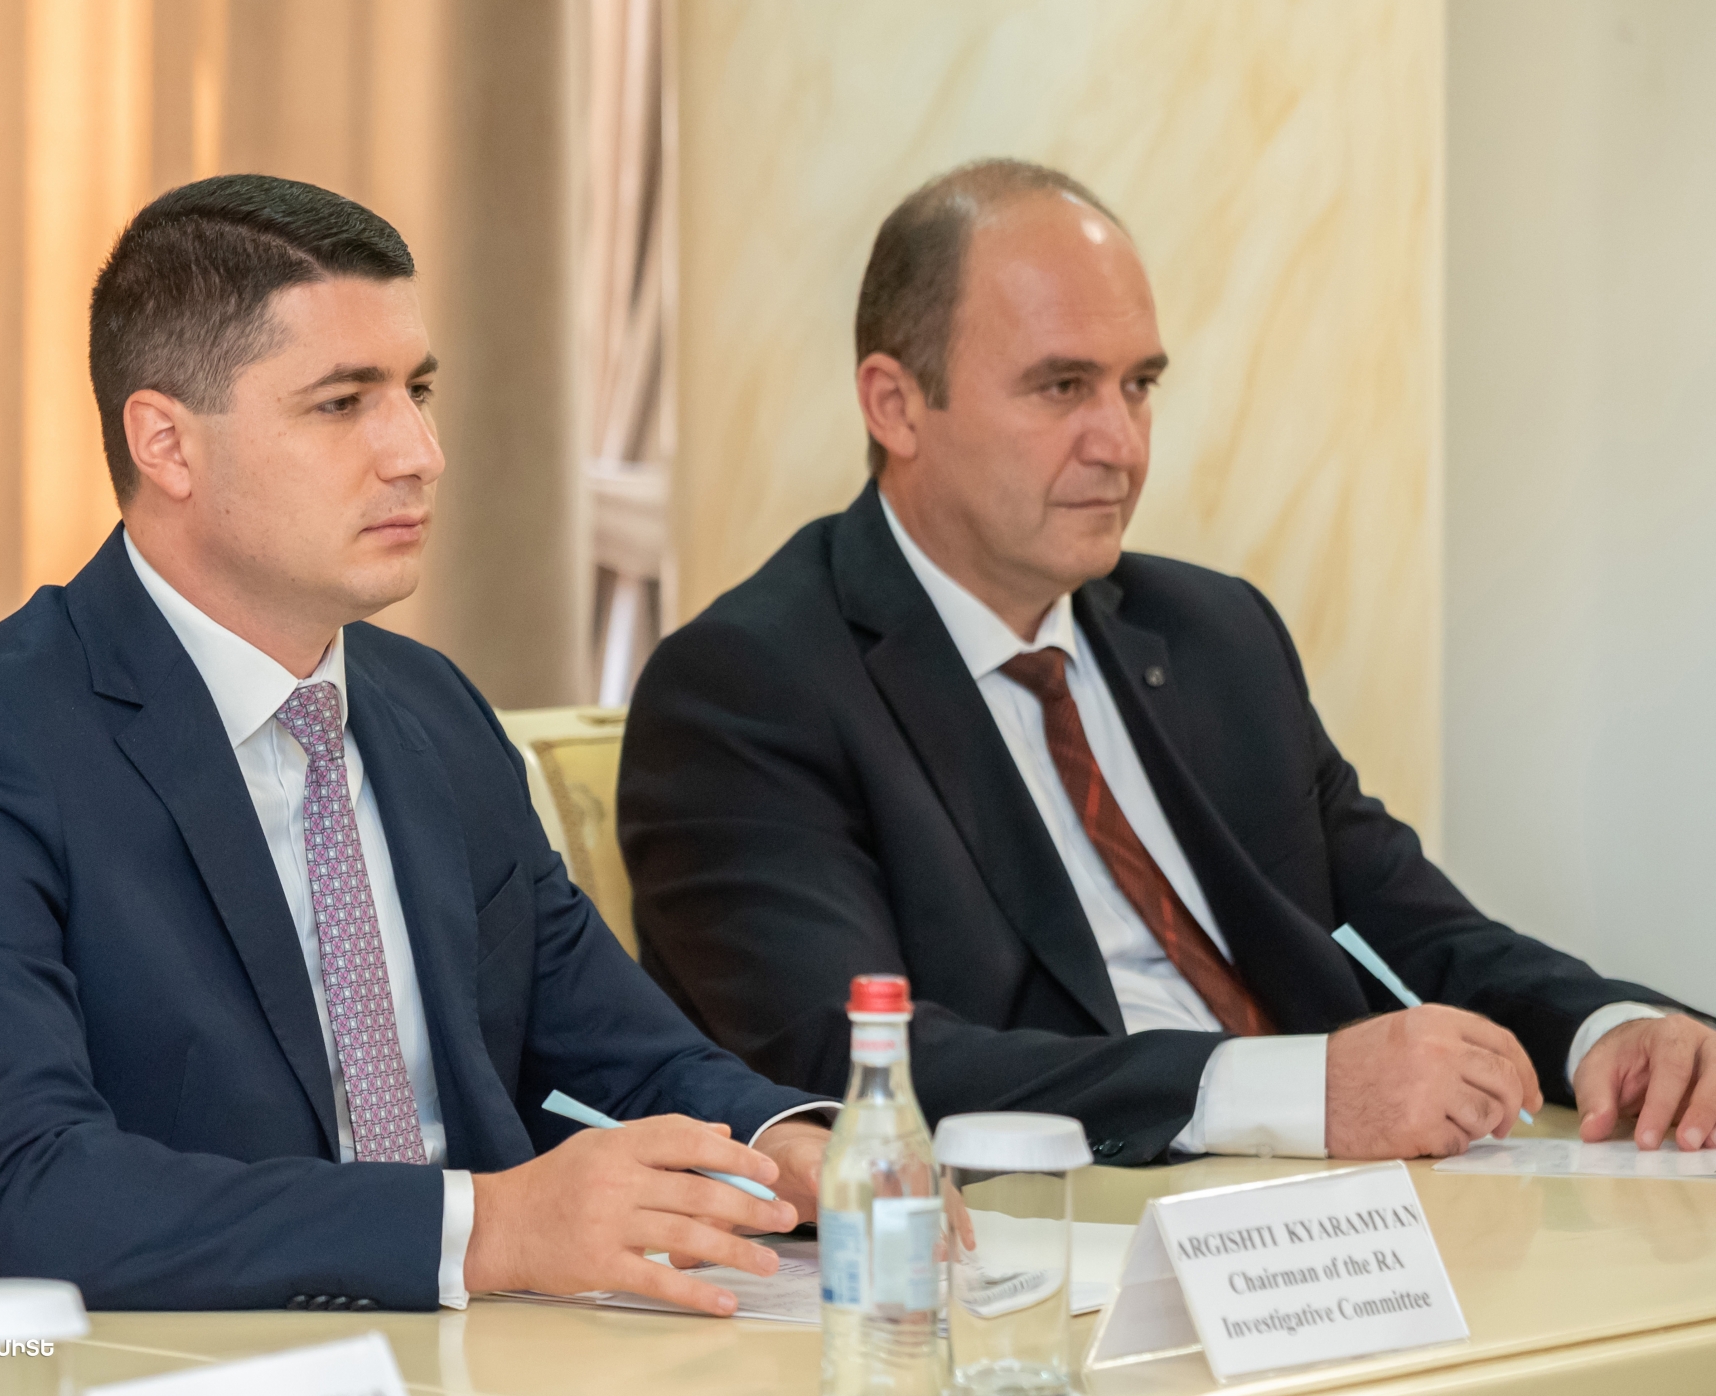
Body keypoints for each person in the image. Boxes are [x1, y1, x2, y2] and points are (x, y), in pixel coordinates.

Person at [0, 175, 830, 1314]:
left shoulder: (431, 709)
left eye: (418, 391)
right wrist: (484, 1228)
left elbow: (618, 1044)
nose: (419, 452)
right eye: (342, 402)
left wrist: (793, 1143)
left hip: (489, 1355)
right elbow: (32, 1196)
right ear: (166, 443)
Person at [617, 158, 1716, 1168]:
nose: (1122, 444)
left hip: (1351, 1215)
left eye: (1139, 384)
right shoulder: (747, 688)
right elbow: (852, 1067)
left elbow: (1405, 926)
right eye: (1062, 387)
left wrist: (1608, 1030)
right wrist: (1294, 1092)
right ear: (895, 405)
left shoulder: (1213, 633)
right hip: (1058, 1239)